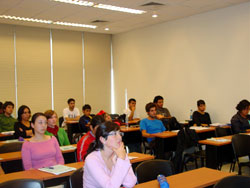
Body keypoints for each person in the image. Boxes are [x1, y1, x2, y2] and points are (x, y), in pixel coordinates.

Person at [83, 121, 137, 188]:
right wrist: (121, 160)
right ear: (103, 139)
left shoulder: (119, 153)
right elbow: (110, 186)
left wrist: (120, 160)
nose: (120, 137)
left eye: (119, 133)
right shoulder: (92, 159)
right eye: (114, 134)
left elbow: (130, 183)